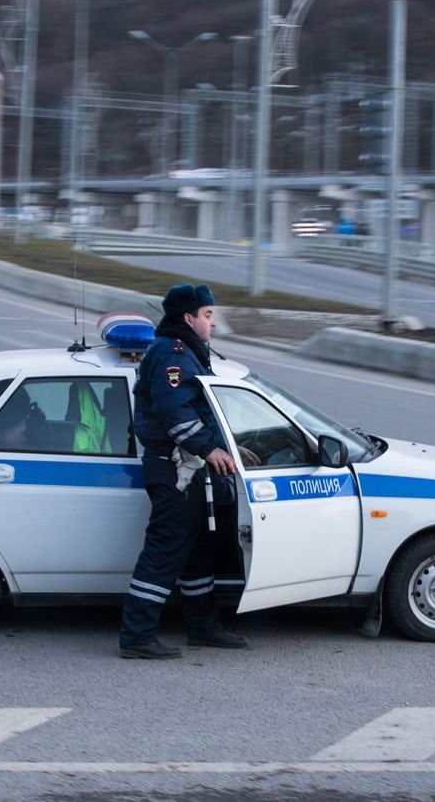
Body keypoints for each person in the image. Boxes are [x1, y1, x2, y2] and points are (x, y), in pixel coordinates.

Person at [118, 282, 249, 659]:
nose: (213, 324)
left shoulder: (188, 351)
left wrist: (230, 449)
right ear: (187, 318)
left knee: (198, 553)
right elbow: (175, 412)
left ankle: (202, 627)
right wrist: (209, 449)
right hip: (174, 471)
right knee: (165, 552)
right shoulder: (173, 354)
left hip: (191, 470)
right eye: (208, 316)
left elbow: (200, 410)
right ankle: (136, 636)